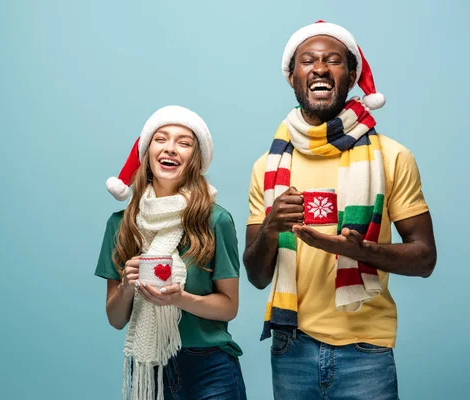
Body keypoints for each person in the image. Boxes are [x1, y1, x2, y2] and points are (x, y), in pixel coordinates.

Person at [243, 21, 437, 399]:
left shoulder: (392, 157)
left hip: (366, 349)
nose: (319, 68)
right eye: (308, 60)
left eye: (333, 60)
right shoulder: (266, 167)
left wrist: (359, 251)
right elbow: (256, 276)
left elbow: (425, 258)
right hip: (290, 347)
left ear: (350, 76)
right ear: (292, 76)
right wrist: (271, 227)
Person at [96, 105, 247, 400]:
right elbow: (115, 319)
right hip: (148, 368)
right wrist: (127, 287)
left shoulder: (215, 220)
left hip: (209, 367)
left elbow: (229, 307)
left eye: (184, 142)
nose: (171, 149)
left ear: (195, 159)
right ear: (147, 153)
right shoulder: (120, 225)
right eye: (161, 138)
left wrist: (180, 299)